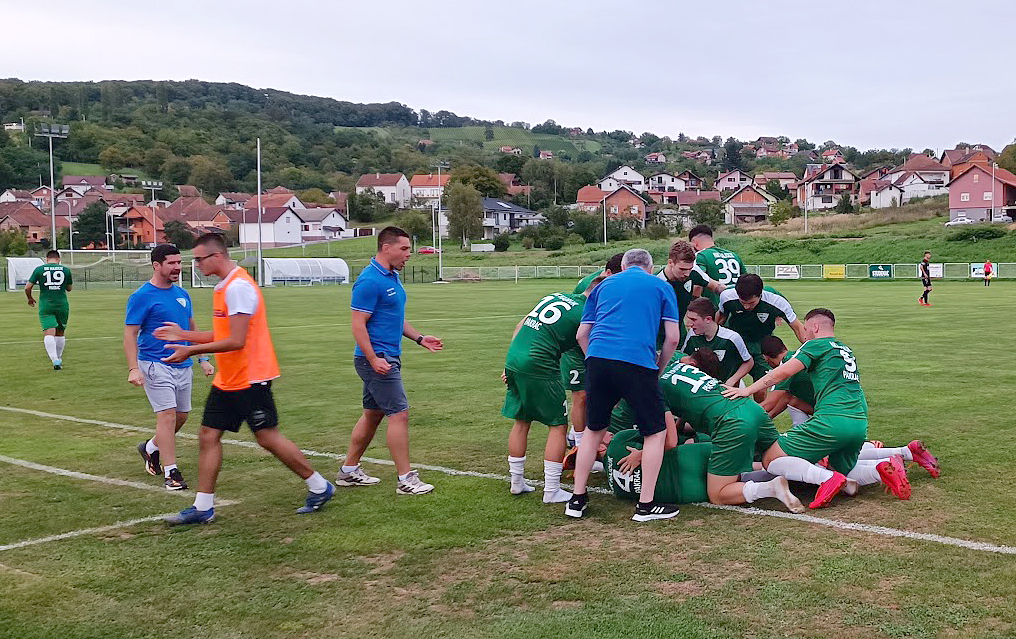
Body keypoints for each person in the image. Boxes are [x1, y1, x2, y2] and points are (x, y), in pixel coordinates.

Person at [158, 233, 335, 525]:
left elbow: (237, 340)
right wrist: (184, 335)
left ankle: (319, 485)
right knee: (208, 435)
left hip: (252, 377)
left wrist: (191, 351)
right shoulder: (224, 286)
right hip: (229, 378)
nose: (196, 264)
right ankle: (203, 507)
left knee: (267, 437)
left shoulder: (238, 287)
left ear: (217, 257)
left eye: (200, 259)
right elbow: (223, 334)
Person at [723, 308, 910, 509]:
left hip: (832, 420)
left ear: (815, 327)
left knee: (771, 458)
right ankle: (881, 468)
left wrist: (747, 390)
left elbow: (783, 372)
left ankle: (826, 479)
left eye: (805, 328)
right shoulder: (845, 349)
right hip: (859, 421)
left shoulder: (813, 345)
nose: (804, 334)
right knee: (843, 472)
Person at [606, 349, 803, 512]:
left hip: (731, 422)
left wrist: (642, 455)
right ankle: (820, 476)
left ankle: (770, 488)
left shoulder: (652, 385)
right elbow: (689, 400)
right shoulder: (679, 364)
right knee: (776, 457)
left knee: (718, 493)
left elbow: (670, 441)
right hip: (750, 408)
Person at [567, 248, 683, 522]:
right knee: (654, 433)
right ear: (649, 266)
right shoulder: (660, 286)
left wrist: (594, 362)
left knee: (594, 431)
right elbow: (673, 339)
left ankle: (577, 498)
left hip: (598, 359)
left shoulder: (603, 285)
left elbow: (582, 334)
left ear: (622, 266)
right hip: (636, 362)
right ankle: (646, 506)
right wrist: (659, 368)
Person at [338, 226, 443, 495]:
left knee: (373, 415)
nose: (409, 254)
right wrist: (373, 359)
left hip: (385, 356)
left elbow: (394, 318)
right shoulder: (370, 281)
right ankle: (406, 479)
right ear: (386, 248)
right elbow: (358, 325)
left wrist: (420, 338)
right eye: (404, 249)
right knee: (399, 414)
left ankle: (348, 471)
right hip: (378, 359)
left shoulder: (391, 277)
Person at [503, 278, 602, 503]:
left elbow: (522, 323)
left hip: (516, 358)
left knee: (521, 420)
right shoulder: (585, 313)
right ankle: (552, 490)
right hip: (540, 364)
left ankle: (516, 482)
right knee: (558, 426)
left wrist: (511, 361)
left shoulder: (556, 295)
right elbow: (585, 339)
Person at [125, 244, 214, 490]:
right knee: (166, 416)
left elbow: (191, 328)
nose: (178, 267)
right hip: (155, 364)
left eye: (179, 262)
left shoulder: (182, 294)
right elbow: (130, 334)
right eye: (172, 263)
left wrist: (203, 359)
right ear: (156, 266)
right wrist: (134, 368)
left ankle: (151, 447)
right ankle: (171, 473)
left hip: (183, 363)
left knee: (182, 416)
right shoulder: (141, 296)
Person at [563, 253, 624, 450]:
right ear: (608, 273)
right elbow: (579, 317)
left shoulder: (620, 284)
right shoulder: (589, 286)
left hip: (599, 343)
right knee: (580, 395)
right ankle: (579, 445)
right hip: (577, 347)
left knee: (599, 393)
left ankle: (582, 434)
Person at [717, 273, 808, 401]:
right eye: (743, 303)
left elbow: (798, 327)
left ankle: (759, 414)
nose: (746, 307)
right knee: (731, 381)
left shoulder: (777, 302)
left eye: (751, 303)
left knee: (761, 385)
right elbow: (719, 319)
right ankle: (733, 414)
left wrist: (811, 349)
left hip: (761, 346)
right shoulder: (727, 297)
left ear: (761, 294)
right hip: (736, 343)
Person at [657, 240, 724, 347]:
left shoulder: (694, 271)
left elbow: (717, 286)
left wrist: (733, 294)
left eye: (690, 269)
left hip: (680, 329)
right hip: (657, 334)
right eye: (682, 269)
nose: (687, 273)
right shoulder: (657, 283)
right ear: (670, 263)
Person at [682, 297, 753, 387]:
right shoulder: (692, 335)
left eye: (694, 320)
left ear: (708, 319)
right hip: (701, 390)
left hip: (727, 389)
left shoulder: (731, 338)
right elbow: (684, 357)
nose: (689, 324)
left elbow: (748, 362)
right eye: (688, 319)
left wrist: (732, 380)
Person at [25, 250, 73, 370]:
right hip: (62, 305)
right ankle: (59, 357)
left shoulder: (39, 269)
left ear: (47, 259)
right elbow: (69, 288)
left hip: (46, 305)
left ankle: (54, 359)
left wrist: (30, 298)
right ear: (59, 259)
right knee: (60, 332)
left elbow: (27, 287)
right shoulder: (65, 270)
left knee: (49, 332)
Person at [759, 335, 814, 428]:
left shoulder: (785, 366)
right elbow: (785, 398)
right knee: (792, 400)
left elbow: (768, 404)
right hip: (840, 404)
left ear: (766, 358)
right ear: (784, 347)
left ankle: (802, 436)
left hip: (830, 412)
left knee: (792, 402)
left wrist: (743, 415)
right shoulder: (800, 355)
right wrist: (768, 418)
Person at [689, 224, 747, 305]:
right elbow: (746, 280)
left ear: (694, 242)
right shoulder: (734, 255)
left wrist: (693, 303)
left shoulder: (700, 256)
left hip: (715, 307)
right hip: (737, 305)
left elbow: (698, 284)